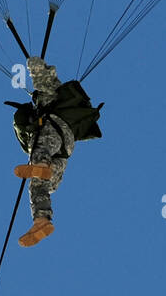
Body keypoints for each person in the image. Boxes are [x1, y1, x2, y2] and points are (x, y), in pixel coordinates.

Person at [11, 56, 102, 247]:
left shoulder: (49, 93)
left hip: (56, 130)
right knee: (39, 182)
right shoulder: (48, 98)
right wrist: (33, 63)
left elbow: (42, 76)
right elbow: (40, 70)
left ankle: (42, 168)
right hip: (62, 141)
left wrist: (33, 65)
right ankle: (41, 220)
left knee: (38, 154)